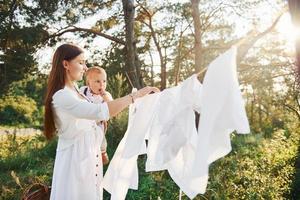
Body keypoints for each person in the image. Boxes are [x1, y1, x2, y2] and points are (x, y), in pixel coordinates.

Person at [43, 43, 159, 200]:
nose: (85, 68)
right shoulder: (62, 96)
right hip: (75, 163)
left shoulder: (77, 91)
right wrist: (135, 96)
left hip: (90, 157)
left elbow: (101, 112)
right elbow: (101, 111)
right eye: (81, 62)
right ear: (65, 64)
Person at [79, 66, 112, 165]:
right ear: (88, 83)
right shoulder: (83, 90)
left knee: (101, 140)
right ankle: (87, 158)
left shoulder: (106, 95)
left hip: (99, 124)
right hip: (86, 123)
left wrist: (105, 96)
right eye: (97, 81)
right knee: (86, 143)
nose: (102, 84)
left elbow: (112, 105)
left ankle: (102, 153)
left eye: (104, 81)